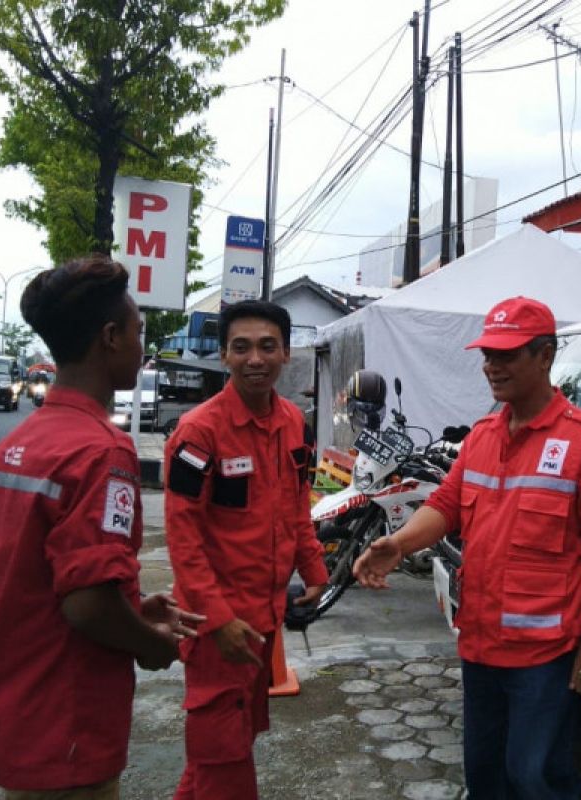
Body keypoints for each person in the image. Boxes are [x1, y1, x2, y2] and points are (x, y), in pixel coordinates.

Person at [354, 296, 581, 799]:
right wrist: (397, 542)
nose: (490, 366)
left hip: (546, 655)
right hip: (481, 646)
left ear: (545, 356)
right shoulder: (481, 436)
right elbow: (446, 504)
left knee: (537, 775)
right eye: (487, 354)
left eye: (506, 355)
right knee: (486, 779)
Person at [0, 255, 202, 798]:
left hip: (16, 707)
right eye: (138, 332)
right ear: (109, 338)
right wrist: (150, 643)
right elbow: (86, 605)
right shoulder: (102, 452)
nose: (141, 345)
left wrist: (129, 603)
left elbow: (31, 580)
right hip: (68, 722)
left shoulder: (13, 448)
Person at [164, 300, 329, 800]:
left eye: (266, 346)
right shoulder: (199, 432)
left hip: (264, 618)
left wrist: (314, 568)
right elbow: (183, 538)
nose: (255, 359)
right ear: (223, 357)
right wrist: (216, 618)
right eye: (241, 348)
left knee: (230, 744)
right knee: (224, 759)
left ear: (286, 353)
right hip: (218, 628)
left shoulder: (293, 421)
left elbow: (297, 503)